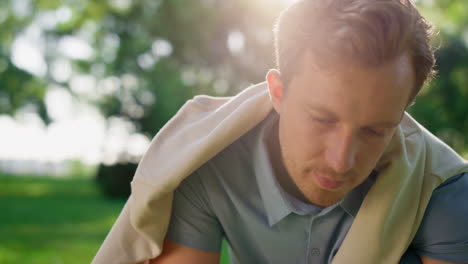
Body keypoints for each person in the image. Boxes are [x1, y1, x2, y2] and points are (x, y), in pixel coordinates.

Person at [92, 0, 468, 263]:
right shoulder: (204, 160)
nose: (341, 160)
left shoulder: (443, 190)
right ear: (278, 92)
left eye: (375, 130)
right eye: (322, 119)